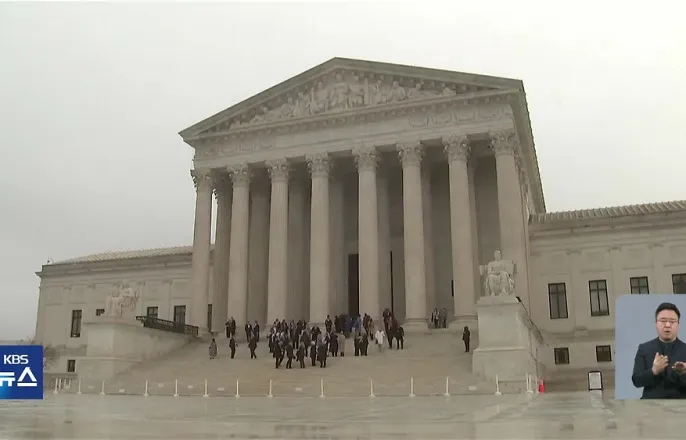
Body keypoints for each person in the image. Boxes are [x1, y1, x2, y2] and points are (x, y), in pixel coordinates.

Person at [631, 302, 686, 399]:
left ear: (678, 325)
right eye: (663, 321)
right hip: (651, 405)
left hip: (680, 405)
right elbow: (636, 381)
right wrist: (653, 371)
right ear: (656, 324)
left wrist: (684, 373)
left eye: (672, 321)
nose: (667, 325)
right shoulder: (644, 348)